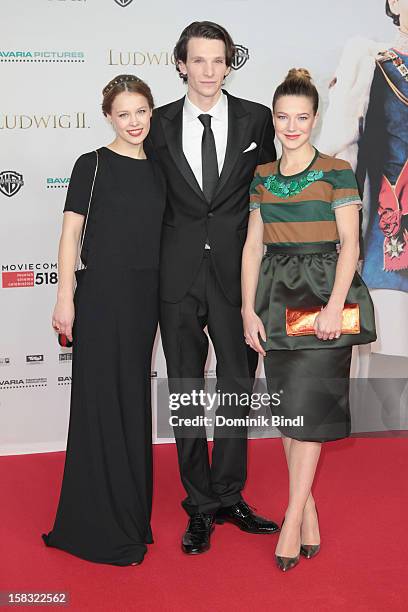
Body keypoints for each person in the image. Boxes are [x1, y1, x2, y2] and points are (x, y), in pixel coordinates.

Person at [147, 21, 279, 555]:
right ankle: (198, 505)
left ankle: (228, 494)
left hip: (235, 276)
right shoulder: (154, 124)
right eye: (198, 60)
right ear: (181, 63)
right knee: (183, 391)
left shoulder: (258, 119)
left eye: (218, 60)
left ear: (230, 63)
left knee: (235, 389)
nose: (208, 71)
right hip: (175, 276)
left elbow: (273, 187)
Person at [242, 69, 376, 571]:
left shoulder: (337, 170)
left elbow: (350, 247)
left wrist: (333, 308)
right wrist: (246, 308)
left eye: (302, 117)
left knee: (310, 409)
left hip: (323, 295)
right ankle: (310, 512)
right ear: (274, 120)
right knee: (289, 410)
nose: (292, 126)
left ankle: (292, 518)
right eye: (283, 117)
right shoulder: (261, 176)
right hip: (275, 297)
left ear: (316, 119)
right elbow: (253, 247)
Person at [42, 74, 165, 566]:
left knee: (132, 399)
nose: (133, 122)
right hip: (99, 296)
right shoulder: (90, 165)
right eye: (124, 113)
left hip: (145, 301)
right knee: (98, 401)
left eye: (141, 112)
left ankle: (131, 511)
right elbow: (70, 235)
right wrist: (65, 297)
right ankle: (94, 522)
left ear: (151, 113)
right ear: (109, 117)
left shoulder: (161, 171)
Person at [317, 0, 408, 359]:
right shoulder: (370, 64)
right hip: (389, 236)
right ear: (395, 3)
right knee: (392, 367)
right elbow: (340, 152)